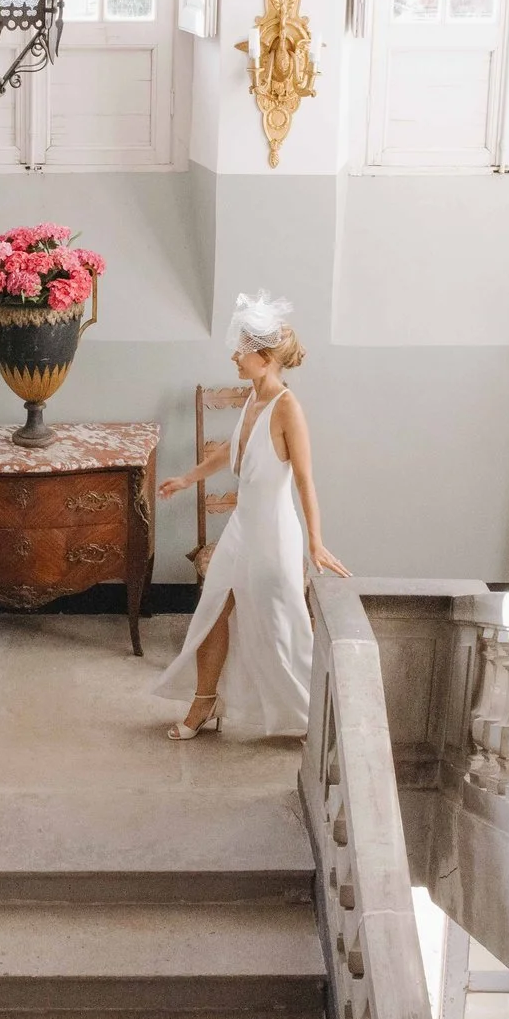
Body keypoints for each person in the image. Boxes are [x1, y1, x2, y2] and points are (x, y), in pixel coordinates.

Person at [150, 291, 349, 740]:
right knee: (212, 612)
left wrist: (315, 541)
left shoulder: (287, 408)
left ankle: (316, 720)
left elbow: (304, 481)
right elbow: (231, 450)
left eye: (242, 351)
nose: (235, 358)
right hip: (243, 529)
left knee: (281, 631)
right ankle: (204, 705)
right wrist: (187, 479)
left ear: (263, 358)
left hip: (274, 536)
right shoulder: (251, 399)